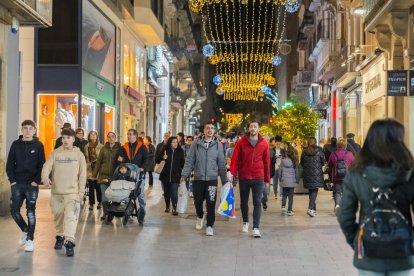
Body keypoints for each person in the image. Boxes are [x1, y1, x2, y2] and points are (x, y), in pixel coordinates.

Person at [338, 119, 414, 275]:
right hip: (402, 252)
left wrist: (356, 241)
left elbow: (345, 214)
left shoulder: (356, 172)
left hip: (368, 252)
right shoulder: (409, 171)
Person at [41, 128, 87, 257]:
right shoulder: (55, 153)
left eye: (68, 137)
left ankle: (70, 241)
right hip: (57, 192)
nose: (65, 140)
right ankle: (60, 235)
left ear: (73, 139)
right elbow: (46, 166)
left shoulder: (79, 155)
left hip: (72, 193)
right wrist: (45, 177)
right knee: (58, 215)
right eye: (63, 137)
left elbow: (82, 175)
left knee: (70, 217)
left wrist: (81, 192)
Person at [181, 123, 228, 236]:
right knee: (197, 201)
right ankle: (200, 216)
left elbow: (221, 163)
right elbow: (189, 160)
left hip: (212, 178)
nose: (210, 130)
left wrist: (224, 179)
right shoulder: (196, 144)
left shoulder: (218, 145)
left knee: (211, 202)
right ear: (203, 130)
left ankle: (209, 226)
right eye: (207, 128)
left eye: (212, 128)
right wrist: (184, 174)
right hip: (198, 178)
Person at [6, 120, 46, 252]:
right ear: (21, 130)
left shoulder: (39, 145)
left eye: (30, 128)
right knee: (14, 211)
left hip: (31, 185)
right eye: (25, 128)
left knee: (30, 212)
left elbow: (42, 165)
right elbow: (10, 164)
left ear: (35, 130)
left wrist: (36, 181)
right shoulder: (15, 144)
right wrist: (12, 181)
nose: (28, 131)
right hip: (17, 184)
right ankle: (25, 230)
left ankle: (30, 240)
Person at [230, 121, 270, 238]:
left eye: (255, 126)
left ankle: (256, 227)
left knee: (257, 202)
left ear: (258, 129)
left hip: (258, 177)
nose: (253, 128)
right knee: (243, 202)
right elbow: (235, 159)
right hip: (244, 177)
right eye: (251, 126)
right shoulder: (241, 143)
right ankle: (245, 222)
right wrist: (231, 173)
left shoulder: (264, 144)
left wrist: (267, 180)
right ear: (248, 128)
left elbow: (267, 163)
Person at [117, 129, 147, 221]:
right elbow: (120, 159)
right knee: (127, 193)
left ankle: (142, 209)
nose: (128, 136)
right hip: (127, 174)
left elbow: (146, 159)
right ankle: (128, 209)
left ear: (135, 136)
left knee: (140, 194)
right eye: (127, 134)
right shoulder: (124, 147)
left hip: (138, 174)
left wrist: (143, 167)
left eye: (130, 134)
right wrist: (119, 162)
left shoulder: (142, 147)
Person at [92, 132, 121, 220]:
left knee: (115, 196)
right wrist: (94, 175)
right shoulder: (103, 149)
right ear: (107, 138)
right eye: (109, 137)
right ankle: (105, 213)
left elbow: (123, 162)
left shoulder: (120, 149)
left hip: (115, 177)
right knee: (104, 195)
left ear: (115, 138)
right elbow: (98, 162)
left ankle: (114, 212)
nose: (111, 138)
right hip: (103, 176)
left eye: (112, 136)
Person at [156, 136, 185, 215]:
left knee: (174, 193)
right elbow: (157, 159)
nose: (175, 143)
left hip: (175, 175)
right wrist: (163, 157)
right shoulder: (165, 150)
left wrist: (184, 174)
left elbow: (183, 163)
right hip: (165, 175)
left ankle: (174, 208)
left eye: (176, 142)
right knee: (166, 193)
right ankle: (167, 206)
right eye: (173, 142)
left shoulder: (180, 151)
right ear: (170, 143)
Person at [327, 138, 354, 215]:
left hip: (336, 176)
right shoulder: (350, 154)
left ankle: (337, 205)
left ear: (337, 146)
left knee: (338, 192)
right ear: (345, 146)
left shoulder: (333, 154)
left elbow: (330, 165)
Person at [301, 137, 325, 218]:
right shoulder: (319, 151)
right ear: (315, 142)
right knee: (314, 191)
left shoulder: (304, 152)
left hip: (307, 174)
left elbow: (302, 163)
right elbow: (323, 162)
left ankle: (313, 210)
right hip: (317, 174)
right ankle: (310, 208)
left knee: (311, 191)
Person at [84, 130, 104, 211]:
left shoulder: (101, 146)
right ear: (89, 136)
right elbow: (86, 158)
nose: (93, 136)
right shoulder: (86, 146)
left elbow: (103, 158)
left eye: (94, 134)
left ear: (97, 136)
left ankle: (100, 202)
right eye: (91, 134)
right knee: (91, 187)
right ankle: (91, 204)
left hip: (98, 169)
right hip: (90, 169)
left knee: (98, 187)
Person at [279, 147, 299, 216]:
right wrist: (297, 180)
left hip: (284, 181)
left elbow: (279, 172)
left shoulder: (283, 161)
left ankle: (283, 207)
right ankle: (289, 210)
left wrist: (280, 179)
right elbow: (297, 172)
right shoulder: (294, 162)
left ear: (286, 154)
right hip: (292, 182)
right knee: (291, 197)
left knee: (284, 195)